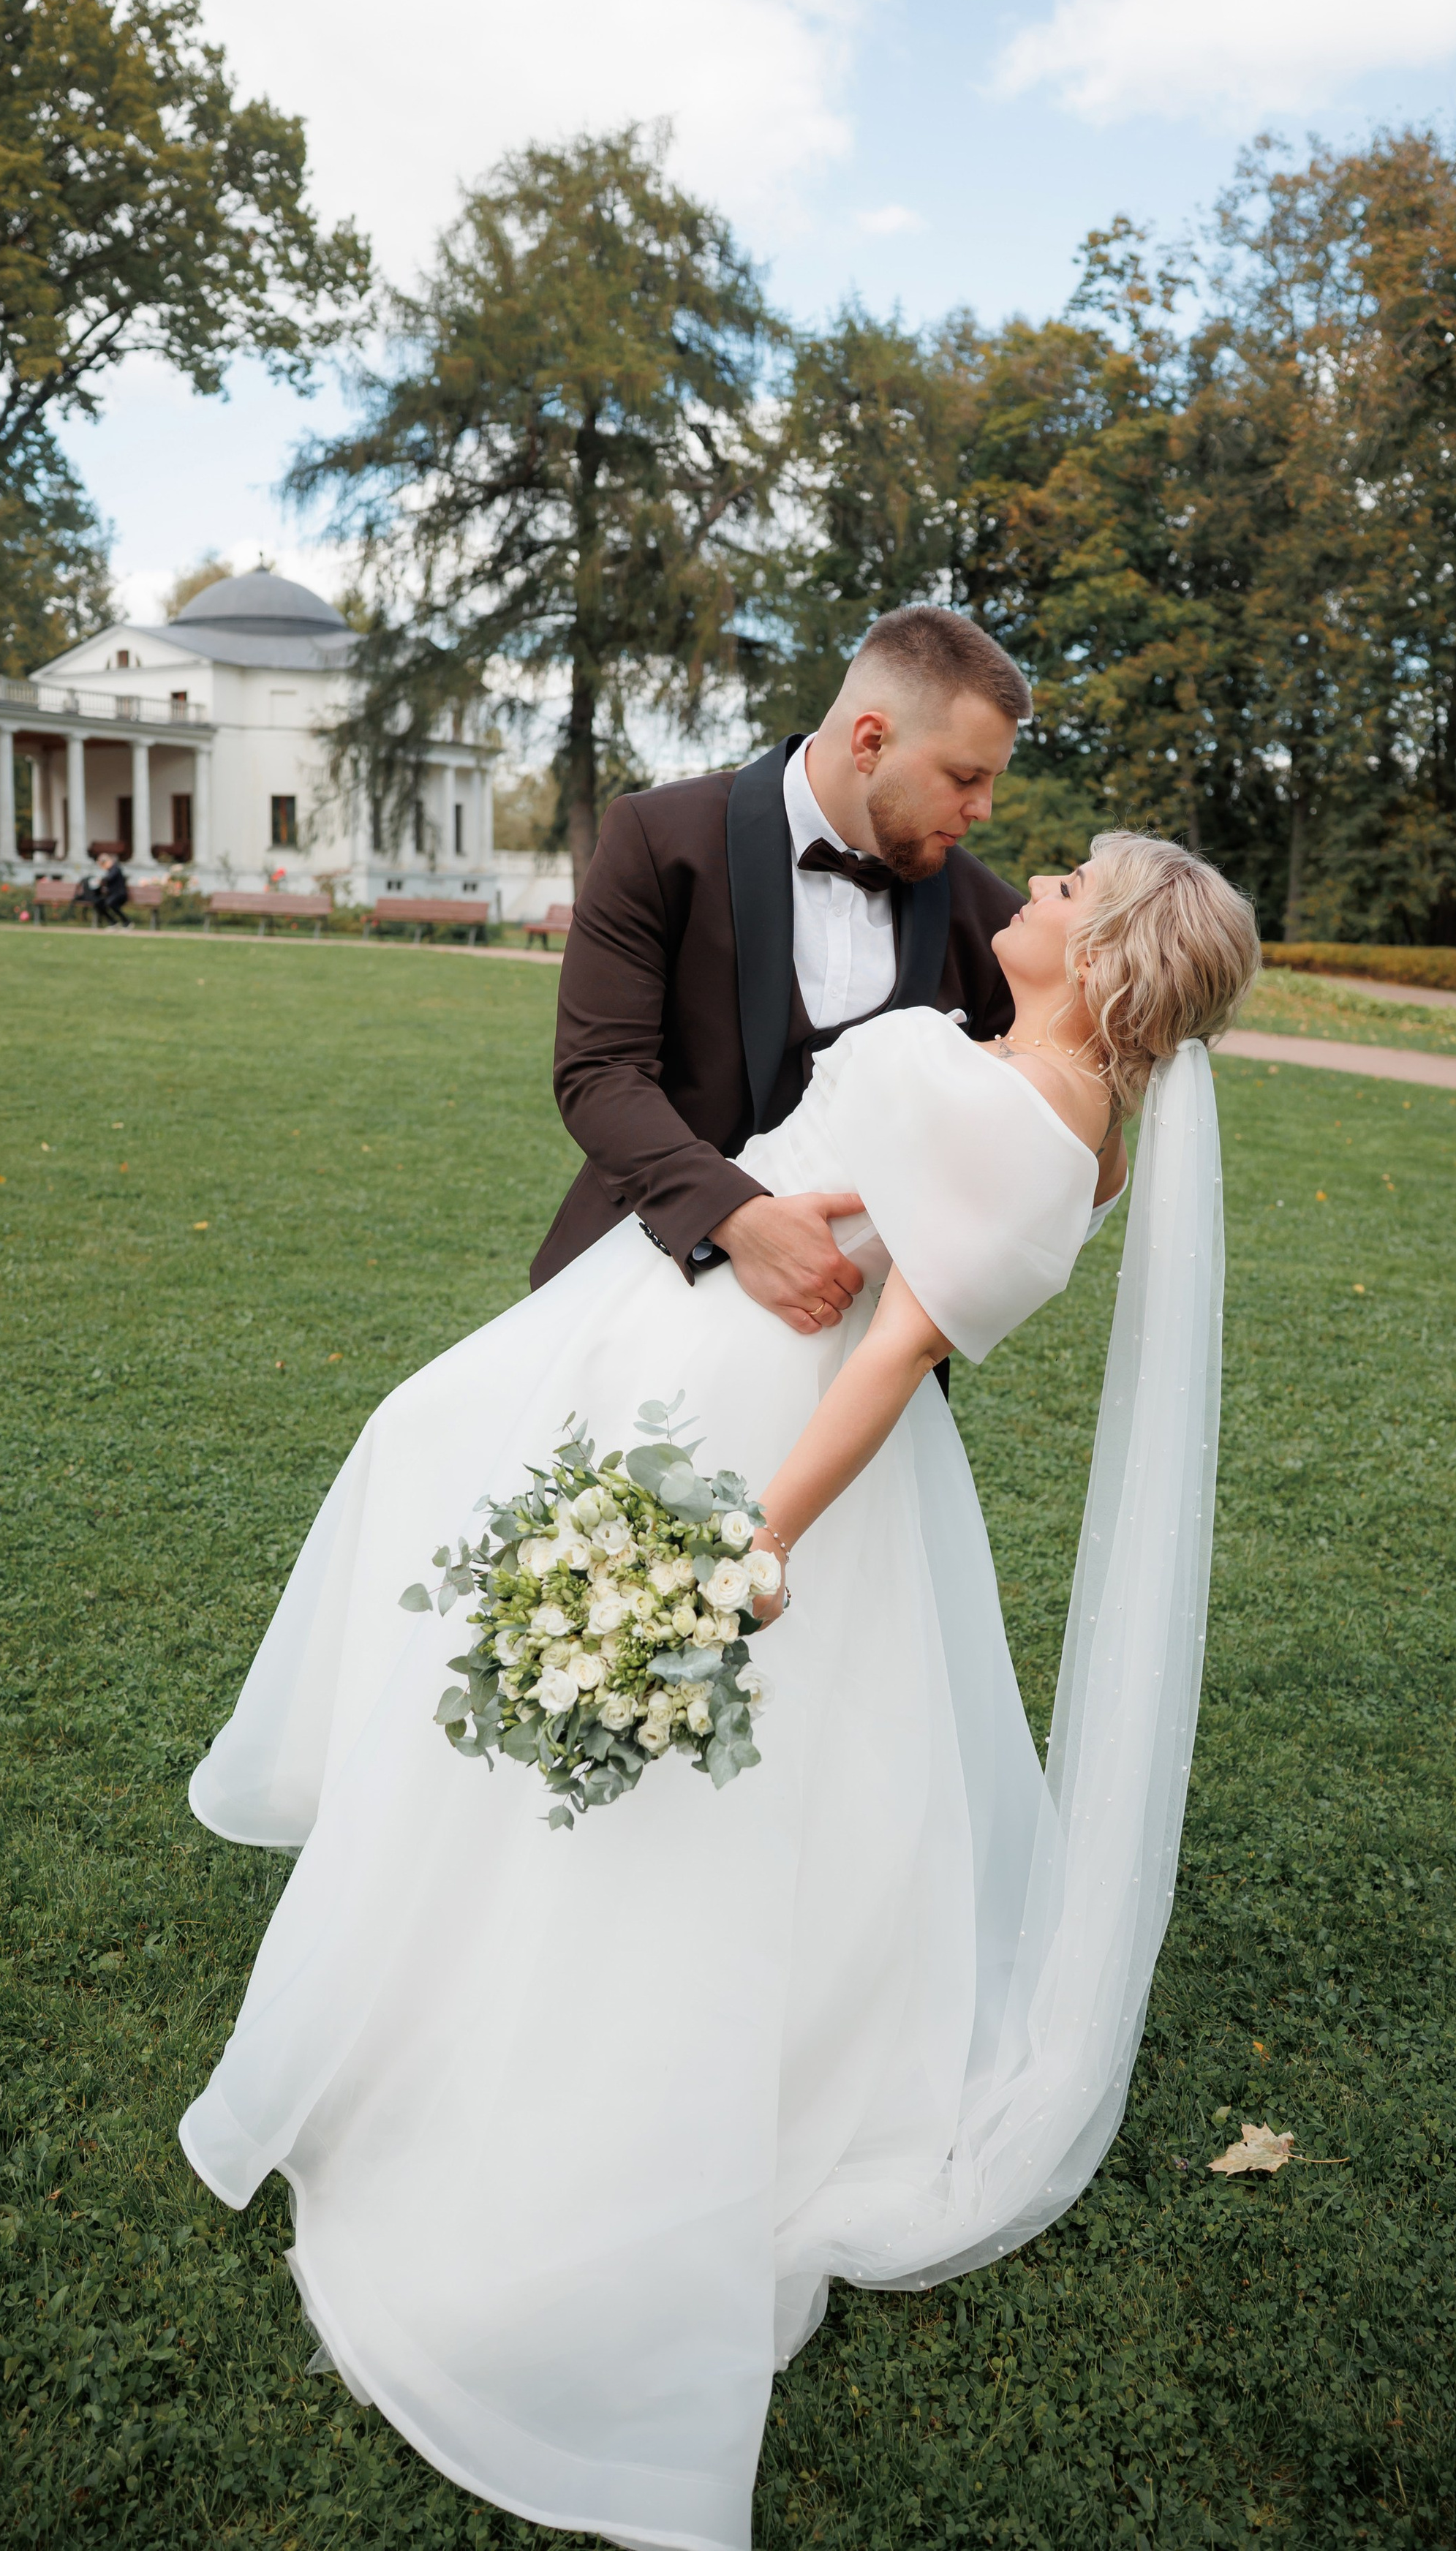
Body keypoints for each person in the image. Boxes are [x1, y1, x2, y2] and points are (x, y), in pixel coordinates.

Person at [179, 811, 1259, 2551]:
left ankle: (523, 2025)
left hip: (740, 1408)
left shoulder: (1023, 1116)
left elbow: (892, 1354)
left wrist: (753, 1542)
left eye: (1062, 888)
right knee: (448, 1499)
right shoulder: (1032, 1096)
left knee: (600, 1679)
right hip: (662, 1319)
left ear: (1110, 949)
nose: (1027, 891)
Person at [536, 604, 1041, 1334]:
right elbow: (600, 1071)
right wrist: (737, 1218)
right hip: (636, 1280)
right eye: (965, 776)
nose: (984, 808)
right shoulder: (657, 840)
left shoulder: (994, 919)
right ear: (871, 741)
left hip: (849, 1331)